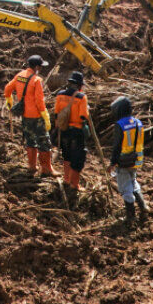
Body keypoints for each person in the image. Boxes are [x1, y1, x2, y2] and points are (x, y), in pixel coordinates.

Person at [4, 55, 57, 178]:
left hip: (25, 115)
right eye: (40, 67)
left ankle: (32, 166)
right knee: (44, 141)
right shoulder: (36, 80)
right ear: (37, 67)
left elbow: (7, 88)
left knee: (30, 140)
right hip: (36, 115)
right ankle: (46, 169)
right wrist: (45, 116)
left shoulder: (20, 75)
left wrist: (9, 100)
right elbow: (39, 101)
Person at [108, 96, 148, 231]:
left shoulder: (120, 125)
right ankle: (143, 206)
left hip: (124, 161)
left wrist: (112, 163)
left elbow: (117, 146)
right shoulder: (138, 122)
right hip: (137, 160)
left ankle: (130, 216)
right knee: (133, 182)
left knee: (125, 188)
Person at [54, 71, 90, 204]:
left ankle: (66, 179)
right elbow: (82, 116)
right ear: (79, 85)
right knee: (78, 158)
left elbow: (56, 113)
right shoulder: (81, 97)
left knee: (67, 155)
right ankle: (74, 185)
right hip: (76, 131)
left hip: (64, 131)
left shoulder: (60, 95)